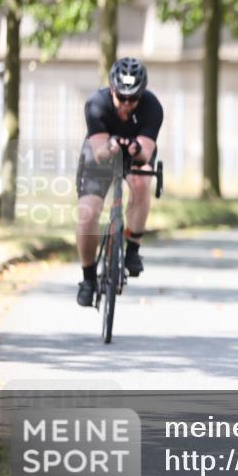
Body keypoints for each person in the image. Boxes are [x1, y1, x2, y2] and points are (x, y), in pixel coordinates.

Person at [75, 57, 163, 307]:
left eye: (132, 99)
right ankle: (88, 278)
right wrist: (112, 146)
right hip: (101, 151)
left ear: (141, 94)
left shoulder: (152, 107)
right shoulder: (96, 104)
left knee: (141, 181)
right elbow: (100, 152)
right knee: (88, 213)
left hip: (136, 153)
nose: (126, 104)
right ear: (112, 90)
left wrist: (133, 148)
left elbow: (146, 153)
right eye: (121, 97)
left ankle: (133, 248)